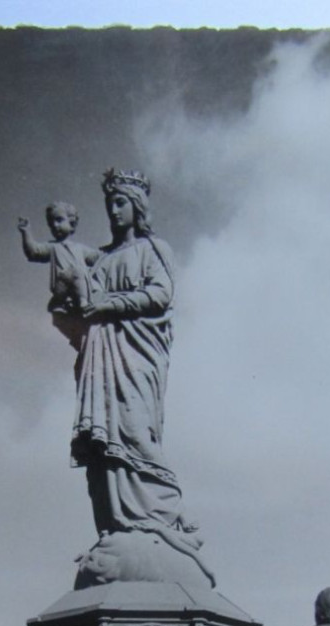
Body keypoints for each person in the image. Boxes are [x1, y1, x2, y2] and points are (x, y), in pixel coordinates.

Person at [66, 169, 213, 583]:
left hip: (137, 356)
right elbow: (78, 300)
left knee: (134, 430)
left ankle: (161, 517)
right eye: (109, 203)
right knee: (104, 443)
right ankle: (116, 526)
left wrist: (110, 305)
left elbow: (161, 294)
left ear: (137, 206)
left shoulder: (153, 248)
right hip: (100, 360)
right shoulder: (100, 258)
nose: (113, 211)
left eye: (120, 203)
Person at [17, 202, 100, 323]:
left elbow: (98, 258)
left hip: (79, 284)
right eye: (51, 224)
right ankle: (62, 302)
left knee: (78, 273)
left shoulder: (80, 248)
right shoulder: (52, 247)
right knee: (73, 272)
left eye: (59, 220)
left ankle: (84, 302)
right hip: (62, 285)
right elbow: (33, 251)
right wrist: (26, 232)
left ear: (71, 223)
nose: (55, 225)